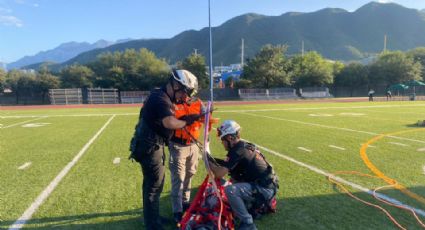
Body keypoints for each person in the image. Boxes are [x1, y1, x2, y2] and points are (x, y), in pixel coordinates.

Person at [129, 69, 201, 230]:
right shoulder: (161, 98)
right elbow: (169, 122)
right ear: (175, 84)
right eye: (184, 92)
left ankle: (152, 218)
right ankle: (152, 224)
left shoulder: (160, 95)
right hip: (150, 146)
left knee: (152, 184)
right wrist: (185, 121)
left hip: (149, 144)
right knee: (154, 185)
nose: (185, 97)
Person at [208, 120, 279, 230]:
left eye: (223, 140)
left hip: (264, 189)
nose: (222, 143)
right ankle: (253, 206)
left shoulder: (237, 151)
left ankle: (248, 223)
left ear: (230, 138)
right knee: (232, 182)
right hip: (267, 185)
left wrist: (208, 162)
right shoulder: (242, 147)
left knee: (230, 190)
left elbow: (219, 174)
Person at [168, 97, 205, 223]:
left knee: (190, 173)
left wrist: (207, 113)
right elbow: (169, 121)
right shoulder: (172, 102)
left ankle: (185, 202)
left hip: (193, 144)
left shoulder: (197, 101)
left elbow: (205, 116)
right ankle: (177, 210)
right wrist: (183, 119)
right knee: (178, 177)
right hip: (178, 145)